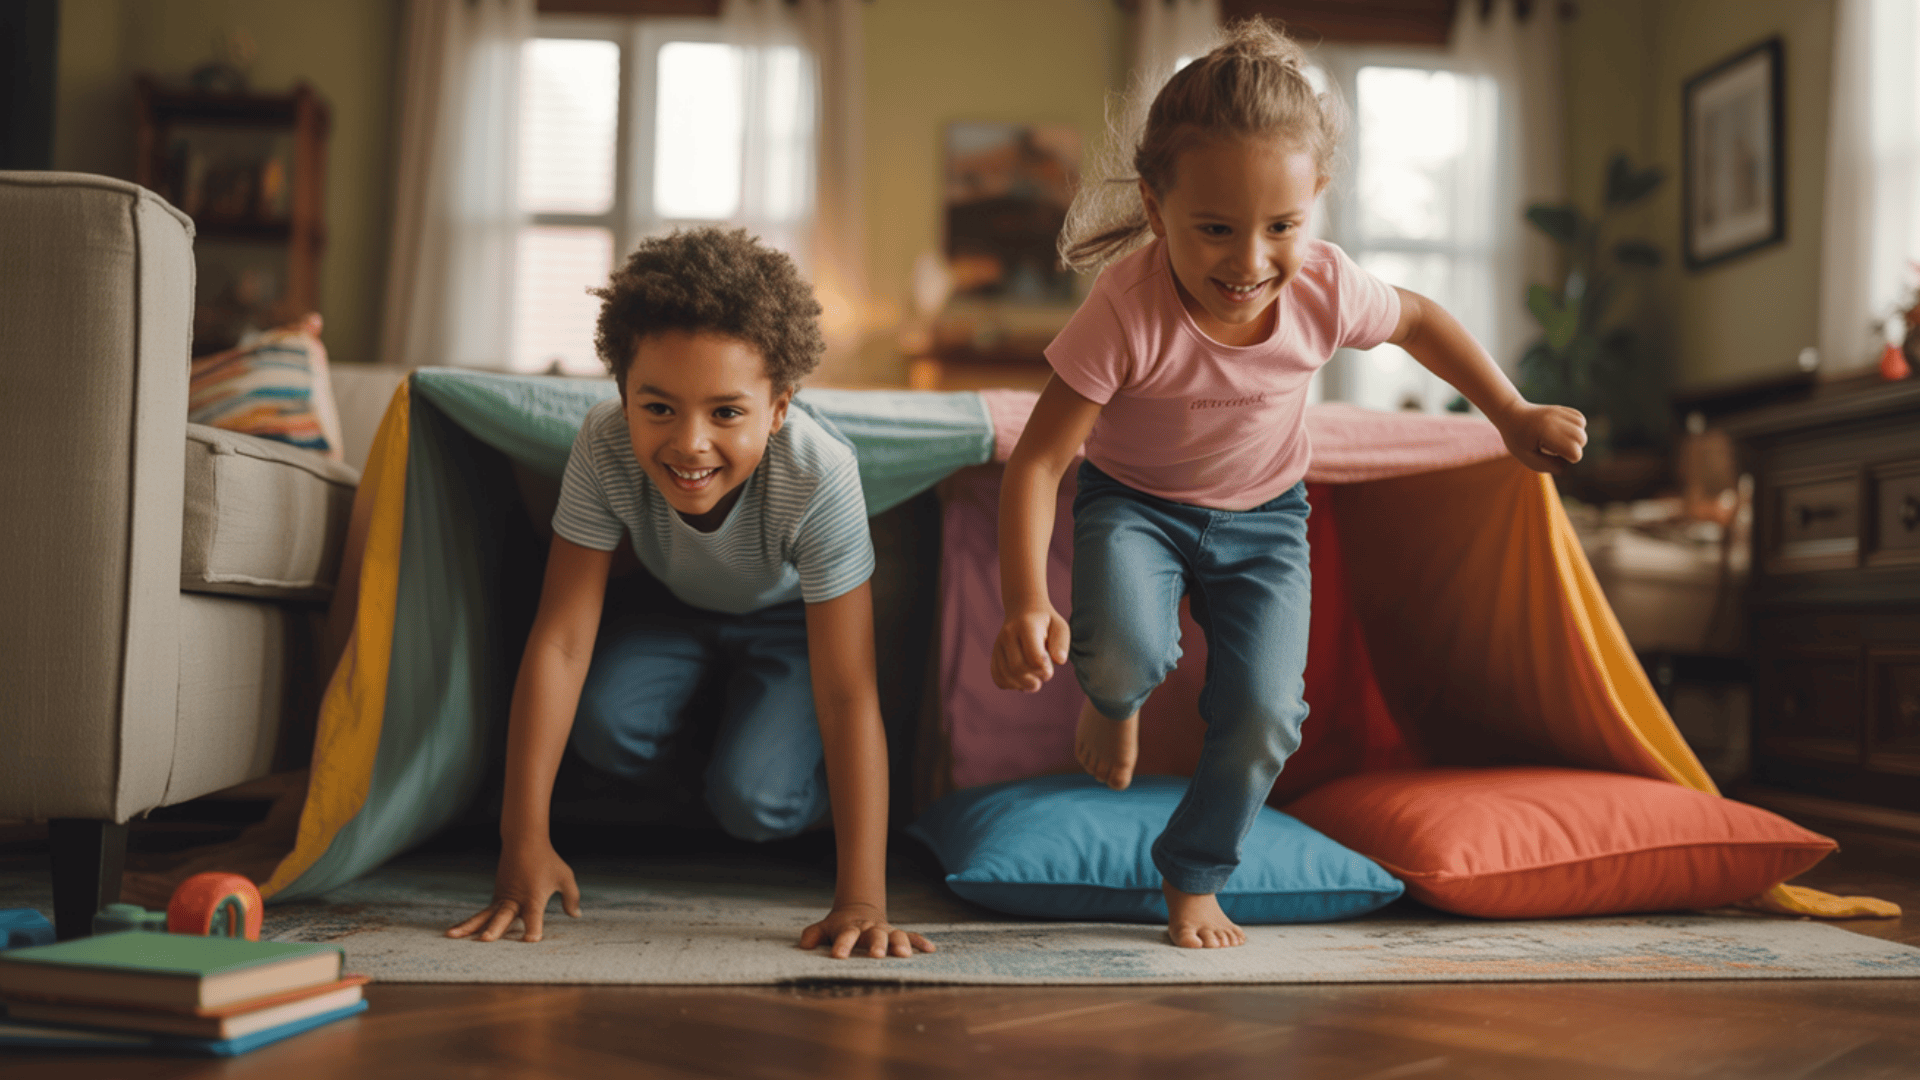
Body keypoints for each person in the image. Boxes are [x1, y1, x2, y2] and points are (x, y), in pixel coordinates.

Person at [991, 20, 1587, 950]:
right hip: (1137, 508)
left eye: (1282, 227)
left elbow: (1421, 322)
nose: (1250, 261)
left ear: (1315, 204)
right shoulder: (1126, 307)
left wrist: (1509, 413)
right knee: (1124, 657)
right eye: (1216, 229)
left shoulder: (1324, 286)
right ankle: (1114, 706)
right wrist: (1026, 600)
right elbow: (1035, 461)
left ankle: (1194, 874)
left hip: (1267, 521)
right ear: (1155, 208)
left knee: (1269, 712)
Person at [448, 227, 934, 960]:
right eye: (660, 408)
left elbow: (847, 692)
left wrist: (862, 899)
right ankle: (709, 736)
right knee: (605, 724)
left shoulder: (821, 473)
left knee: (756, 798)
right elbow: (561, 640)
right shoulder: (603, 444)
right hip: (669, 611)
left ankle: (755, 765)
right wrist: (524, 841)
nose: (690, 444)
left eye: (727, 412)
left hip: (782, 627)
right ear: (623, 394)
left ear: (778, 409)